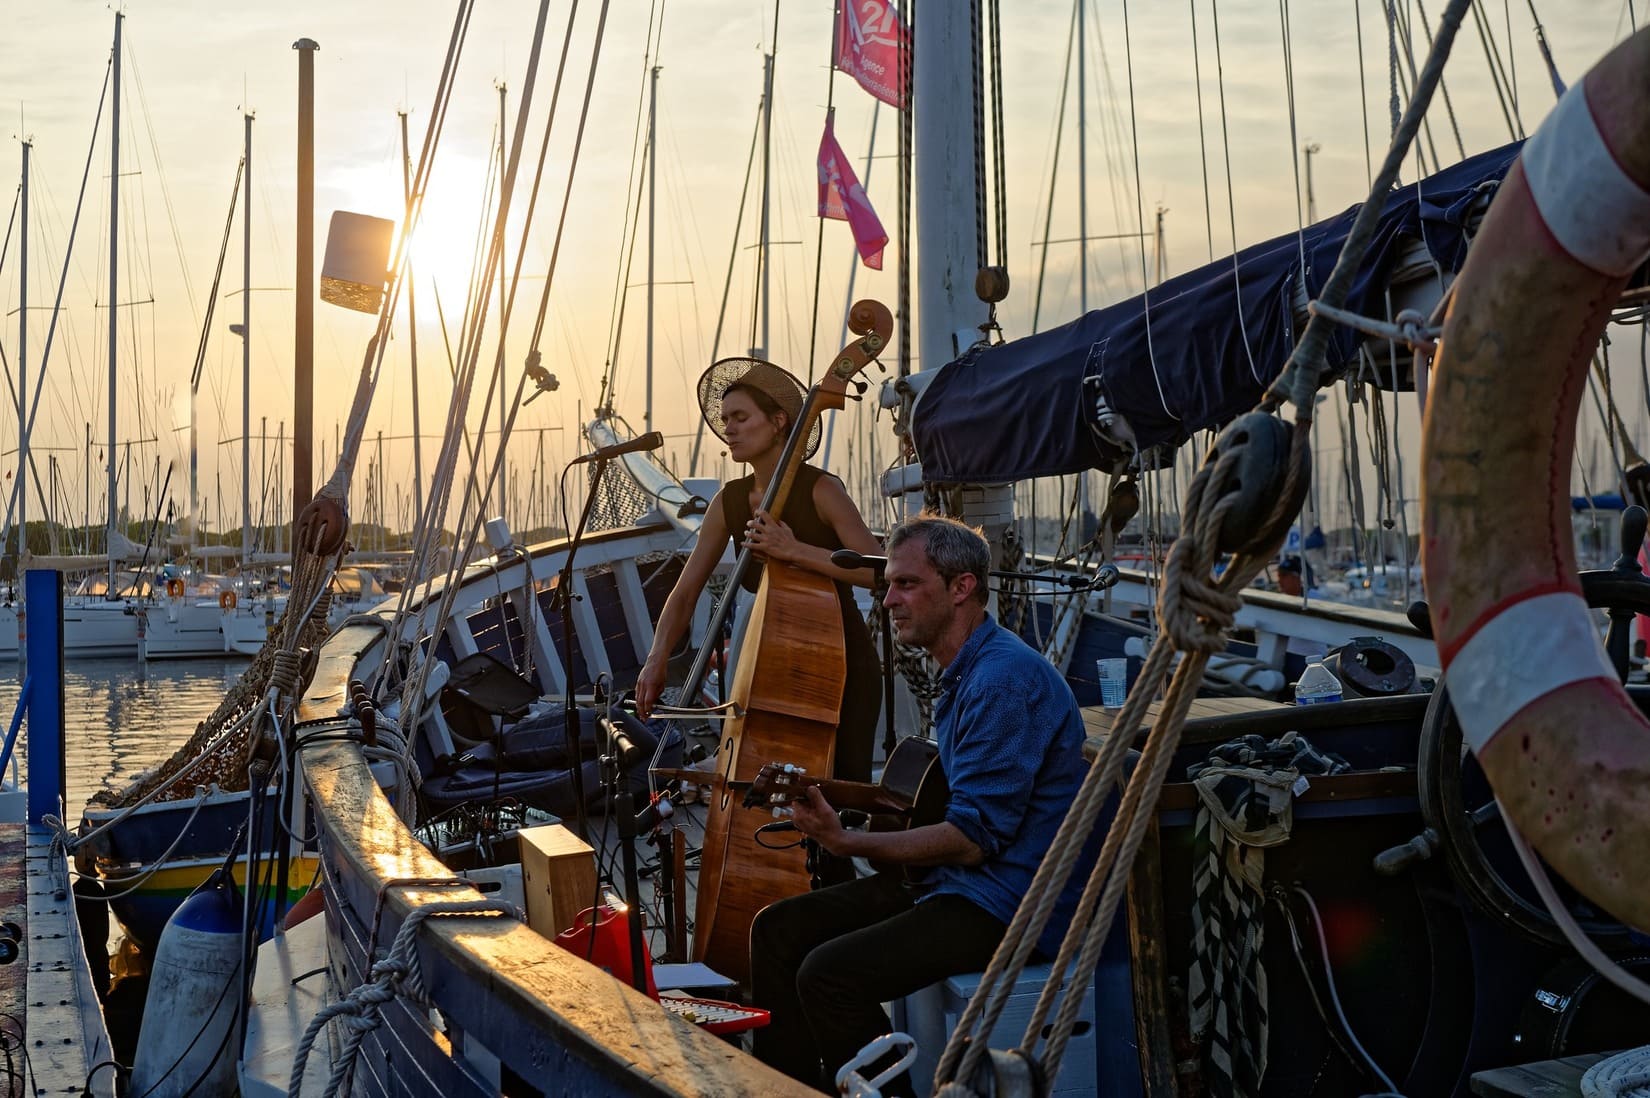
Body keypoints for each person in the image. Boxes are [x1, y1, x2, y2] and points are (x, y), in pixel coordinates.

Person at [748, 515, 1092, 1095]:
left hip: (1008, 904)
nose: (888, 602)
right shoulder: (966, 671)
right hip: (955, 884)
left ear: (961, 588)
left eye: (906, 585)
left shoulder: (1001, 680)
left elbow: (973, 839)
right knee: (777, 930)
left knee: (829, 975)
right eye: (888, 586)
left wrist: (847, 841)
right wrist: (837, 799)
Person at [633, 357, 885, 782]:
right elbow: (686, 592)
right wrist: (656, 659)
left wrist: (795, 550)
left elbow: (878, 573)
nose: (728, 428)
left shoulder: (822, 490)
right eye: (725, 418)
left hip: (839, 665)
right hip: (769, 668)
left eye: (740, 417)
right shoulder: (728, 502)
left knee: (837, 791)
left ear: (778, 421)